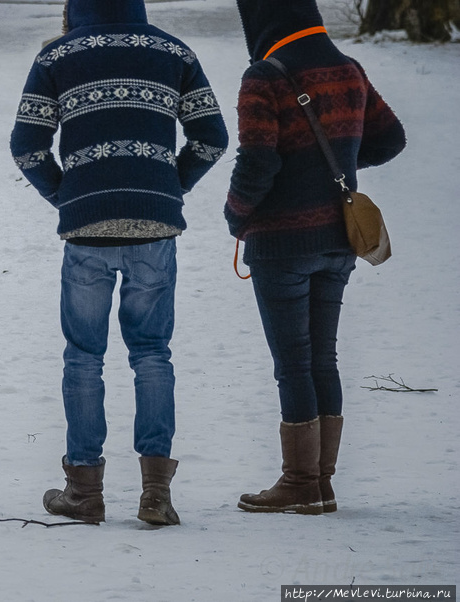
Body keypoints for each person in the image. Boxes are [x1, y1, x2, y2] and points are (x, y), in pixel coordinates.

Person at [10, 0, 228, 524]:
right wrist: (170, 185)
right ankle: (156, 494)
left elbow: (26, 146)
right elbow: (213, 137)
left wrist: (67, 196)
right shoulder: (173, 51)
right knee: (152, 353)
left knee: (83, 355)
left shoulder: (57, 57)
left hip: (87, 228)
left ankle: (84, 491)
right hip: (155, 226)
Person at [226, 0, 406, 514]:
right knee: (322, 358)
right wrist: (340, 167)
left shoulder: (264, 76)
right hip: (338, 241)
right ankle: (321, 483)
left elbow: (257, 160)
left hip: (281, 244)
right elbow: (390, 138)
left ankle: (300, 481)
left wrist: (236, 215)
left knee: (293, 365)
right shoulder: (348, 69)